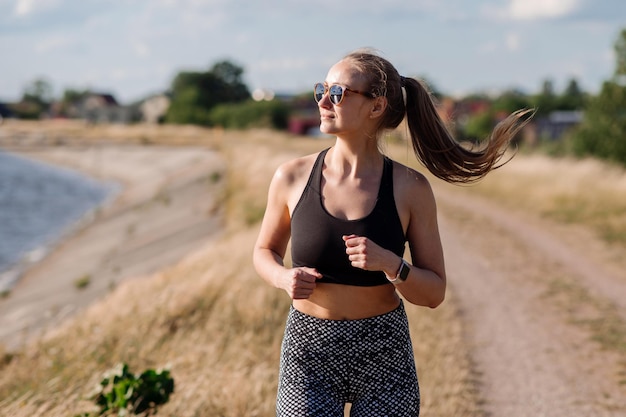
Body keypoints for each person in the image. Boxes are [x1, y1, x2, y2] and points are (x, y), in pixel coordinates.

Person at [253, 48, 532, 416]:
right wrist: (283, 277)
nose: (323, 100)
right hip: (309, 348)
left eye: (338, 93)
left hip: (384, 349)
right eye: (322, 89)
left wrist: (390, 263)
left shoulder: (410, 188)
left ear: (376, 106)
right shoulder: (290, 176)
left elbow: (434, 293)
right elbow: (264, 252)